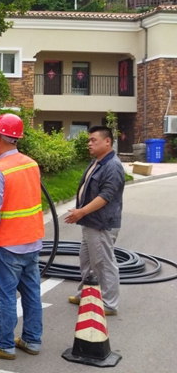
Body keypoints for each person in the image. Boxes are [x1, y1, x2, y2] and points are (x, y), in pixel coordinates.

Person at [0, 113, 44, 360]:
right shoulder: (31, 164)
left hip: (8, 246)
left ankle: (4, 345)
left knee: (4, 296)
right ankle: (32, 340)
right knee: (31, 294)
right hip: (32, 241)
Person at [64, 125, 125, 315]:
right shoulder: (97, 162)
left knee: (103, 263)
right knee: (87, 260)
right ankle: (86, 294)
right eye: (88, 140)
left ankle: (109, 304)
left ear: (107, 141)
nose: (89, 144)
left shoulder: (112, 166)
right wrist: (82, 212)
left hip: (101, 224)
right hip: (91, 221)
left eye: (93, 140)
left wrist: (81, 212)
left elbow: (105, 196)